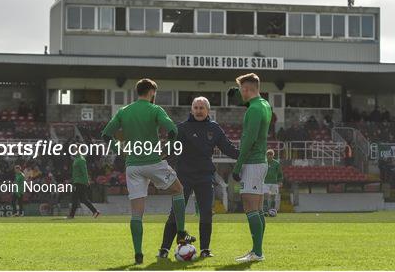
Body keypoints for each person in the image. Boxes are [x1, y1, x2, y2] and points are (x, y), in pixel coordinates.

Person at [101, 78, 195, 265]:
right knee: (178, 190)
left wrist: (120, 152)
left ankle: (138, 255)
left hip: (133, 166)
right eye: (155, 92)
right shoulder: (155, 109)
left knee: (137, 213)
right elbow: (173, 130)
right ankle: (182, 233)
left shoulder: (124, 111)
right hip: (153, 162)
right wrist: (167, 150)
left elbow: (105, 134)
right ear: (151, 91)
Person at [158, 97, 239, 259]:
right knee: (176, 213)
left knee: (206, 213)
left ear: (208, 111)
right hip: (183, 177)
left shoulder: (214, 128)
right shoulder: (181, 128)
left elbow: (229, 149)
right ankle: (164, 249)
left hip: (204, 177)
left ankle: (205, 250)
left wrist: (247, 156)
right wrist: (158, 156)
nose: (199, 110)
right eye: (196, 107)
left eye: (202, 108)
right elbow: (169, 148)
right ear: (191, 110)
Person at [228, 73, 272, 262]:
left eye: (241, 90)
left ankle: (257, 252)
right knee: (258, 208)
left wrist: (238, 166)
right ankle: (257, 250)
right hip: (260, 161)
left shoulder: (253, 110)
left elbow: (249, 139)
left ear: (246, 89)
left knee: (250, 206)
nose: (240, 93)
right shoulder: (264, 105)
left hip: (252, 163)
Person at [68, 152, 100, 219]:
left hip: (80, 181)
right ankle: (95, 211)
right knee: (83, 199)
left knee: (75, 198)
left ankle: (71, 215)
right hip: (77, 181)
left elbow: (84, 171)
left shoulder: (81, 160)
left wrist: (86, 181)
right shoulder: (77, 159)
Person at [263, 149, 283, 215]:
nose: (269, 156)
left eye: (271, 155)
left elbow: (280, 173)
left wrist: (280, 181)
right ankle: (265, 210)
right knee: (265, 195)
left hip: (274, 182)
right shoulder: (264, 163)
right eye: (268, 155)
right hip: (265, 182)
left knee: (273, 196)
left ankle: (272, 210)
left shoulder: (276, 163)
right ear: (266, 155)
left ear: (273, 155)